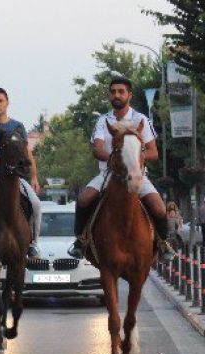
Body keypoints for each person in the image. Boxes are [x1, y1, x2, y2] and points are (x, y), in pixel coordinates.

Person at [69, 77, 173, 260]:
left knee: (158, 208)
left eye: (121, 91)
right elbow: (98, 148)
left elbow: (153, 152)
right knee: (84, 199)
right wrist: (115, 158)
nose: (116, 95)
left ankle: (164, 243)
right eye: (113, 91)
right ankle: (81, 241)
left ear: (129, 95)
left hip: (136, 174)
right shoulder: (103, 120)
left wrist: (135, 158)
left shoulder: (141, 120)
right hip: (109, 173)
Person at [0, 87, 42, 258]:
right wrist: (3, 170)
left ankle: (33, 243)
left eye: (0, 100)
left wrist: (33, 176)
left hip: (13, 177)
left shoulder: (18, 126)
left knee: (36, 204)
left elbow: (26, 152)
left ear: (7, 103)